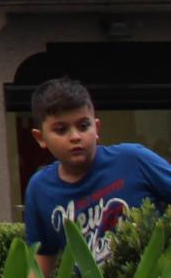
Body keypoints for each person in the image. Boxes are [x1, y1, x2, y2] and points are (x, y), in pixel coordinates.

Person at [23, 78, 171, 272]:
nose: (75, 136)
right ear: (40, 138)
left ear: (97, 128)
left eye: (83, 126)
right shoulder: (40, 189)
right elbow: (41, 262)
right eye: (61, 130)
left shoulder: (134, 160)